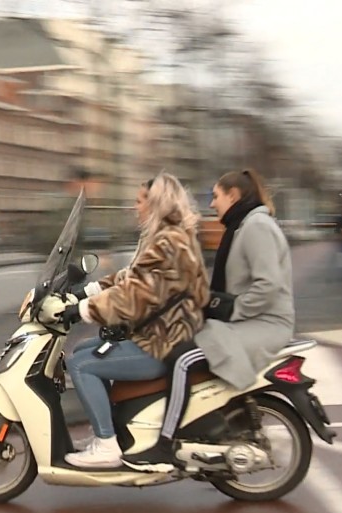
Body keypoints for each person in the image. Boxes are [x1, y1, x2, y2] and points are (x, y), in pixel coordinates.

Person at [122, 168, 295, 473]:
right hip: (247, 321)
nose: (212, 204)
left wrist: (232, 309)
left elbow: (269, 286)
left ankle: (165, 444)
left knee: (183, 358)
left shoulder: (257, 227)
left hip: (263, 324)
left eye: (216, 196)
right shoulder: (243, 225)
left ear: (234, 195)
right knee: (181, 342)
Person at [37, 172, 210, 468]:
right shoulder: (162, 237)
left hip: (160, 341)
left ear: (156, 203)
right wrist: (84, 291)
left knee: (81, 364)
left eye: (139, 201)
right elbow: (130, 278)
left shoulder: (168, 243)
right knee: (81, 351)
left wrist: (80, 311)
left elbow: (133, 297)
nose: (135, 206)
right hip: (155, 333)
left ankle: (107, 445)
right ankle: (108, 432)